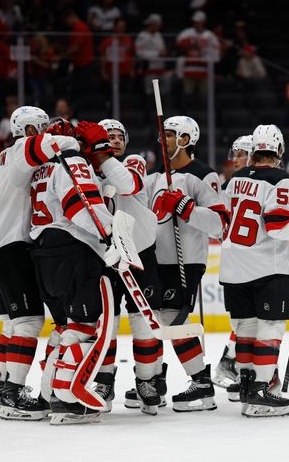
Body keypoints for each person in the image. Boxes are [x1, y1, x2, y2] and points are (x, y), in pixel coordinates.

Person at [219, 125, 289, 417]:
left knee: (245, 330)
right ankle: (261, 391)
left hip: (233, 268)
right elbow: (279, 226)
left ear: (255, 149)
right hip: (266, 269)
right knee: (270, 329)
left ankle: (246, 387)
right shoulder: (281, 181)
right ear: (279, 151)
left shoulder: (236, 178)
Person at [0, 107, 79, 420]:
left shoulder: (8, 158)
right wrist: (76, 140)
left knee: (12, 322)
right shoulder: (22, 149)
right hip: (12, 244)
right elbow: (50, 146)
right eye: (42, 127)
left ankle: (2, 390)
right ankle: (13, 393)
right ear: (31, 129)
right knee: (29, 322)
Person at [29, 117, 125, 424]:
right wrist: (110, 235)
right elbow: (79, 206)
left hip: (42, 250)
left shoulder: (41, 168)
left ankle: (49, 394)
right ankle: (67, 399)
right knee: (83, 325)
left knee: (64, 326)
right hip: (73, 249)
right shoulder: (72, 160)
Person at [145, 116, 229, 411]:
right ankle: (153, 380)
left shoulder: (203, 176)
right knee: (152, 321)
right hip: (155, 261)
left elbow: (221, 223)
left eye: (169, 135)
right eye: (162, 135)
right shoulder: (154, 177)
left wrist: (184, 207)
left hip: (185, 261)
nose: (163, 140)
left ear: (185, 139)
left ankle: (201, 382)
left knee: (171, 319)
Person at [91, 119, 164, 414]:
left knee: (144, 322)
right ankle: (104, 381)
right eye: (108, 137)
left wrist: (102, 155)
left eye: (119, 136)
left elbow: (125, 184)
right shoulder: (88, 168)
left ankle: (146, 381)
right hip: (104, 255)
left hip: (139, 253)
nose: (115, 140)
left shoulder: (133, 162)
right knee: (105, 325)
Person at [213, 135, 253, 389]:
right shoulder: (231, 186)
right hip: (240, 265)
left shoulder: (243, 185)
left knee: (249, 323)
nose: (235, 159)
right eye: (234, 154)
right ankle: (235, 366)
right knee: (248, 323)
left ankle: (231, 363)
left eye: (241, 154)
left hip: (248, 264)